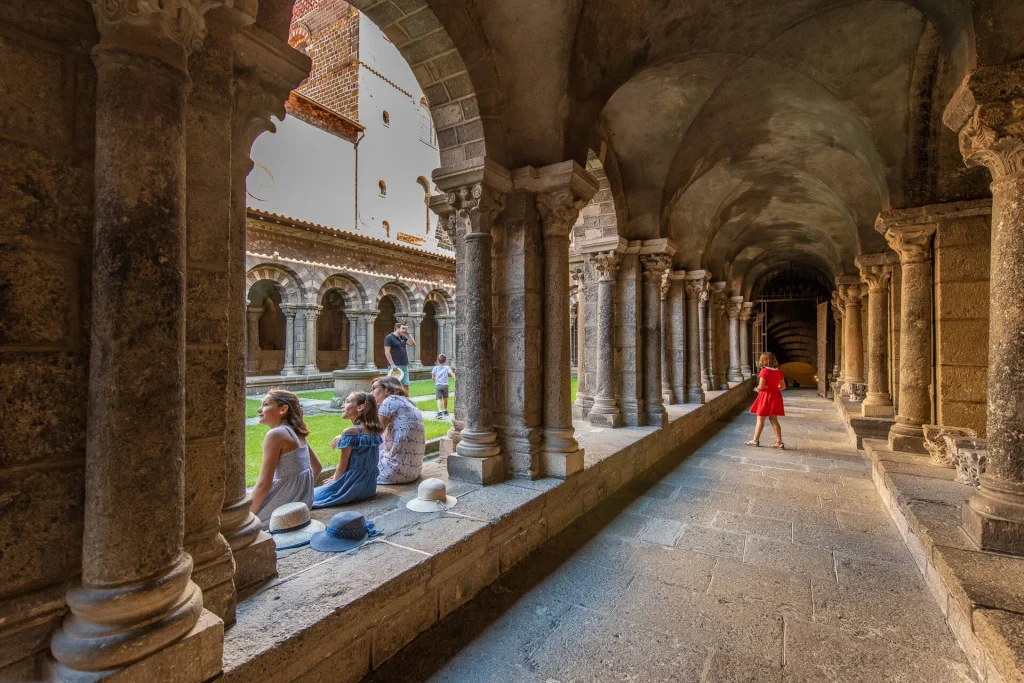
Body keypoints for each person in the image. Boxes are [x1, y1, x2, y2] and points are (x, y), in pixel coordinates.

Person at [251, 390, 323, 524]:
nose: (259, 409)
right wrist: (301, 493)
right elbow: (317, 467)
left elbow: (263, 485)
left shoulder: (276, 435)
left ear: (283, 409)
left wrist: (248, 518)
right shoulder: (296, 432)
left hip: (280, 508)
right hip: (300, 506)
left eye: (265, 405)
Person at [313, 392, 383, 507]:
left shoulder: (350, 432)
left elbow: (342, 466)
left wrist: (335, 481)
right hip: (369, 486)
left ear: (360, 407)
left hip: (352, 485)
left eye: (347, 402)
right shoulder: (374, 430)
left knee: (309, 498)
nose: (342, 405)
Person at [371, 376, 425, 484]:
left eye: (374, 388)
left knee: (359, 448)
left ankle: (341, 477)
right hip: (414, 471)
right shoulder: (410, 403)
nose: (371, 392)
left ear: (386, 388)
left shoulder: (389, 401)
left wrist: (349, 435)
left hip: (393, 472)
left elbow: (373, 435)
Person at [747, 351, 786, 449]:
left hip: (766, 396)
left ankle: (755, 440)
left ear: (763, 360)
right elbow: (783, 386)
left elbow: (761, 386)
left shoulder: (764, 371)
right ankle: (779, 442)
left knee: (760, 419)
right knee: (774, 420)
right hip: (776, 396)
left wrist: (757, 389)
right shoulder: (778, 371)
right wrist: (774, 389)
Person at [383, 322, 415, 387]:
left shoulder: (402, 337)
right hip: (395, 365)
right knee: (394, 386)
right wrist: (392, 364)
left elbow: (413, 343)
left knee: (406, 384)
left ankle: (406, 397)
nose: (404, 330)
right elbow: (387, 351)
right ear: (397, 328)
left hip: (404, 364)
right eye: (403, 328)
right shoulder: (389, 338)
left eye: (405, 329)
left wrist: (408, 333)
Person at [430, 354, 454, 419]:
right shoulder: (447, 367)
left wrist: (436, 381)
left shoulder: (435, 368)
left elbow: (432, 377)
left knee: (439, 399)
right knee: (445, 398)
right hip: (445, 385)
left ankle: (440, 412)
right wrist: (456, 378)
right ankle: (445, 410)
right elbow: (452, 374)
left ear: (437, 360)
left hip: (438, 385)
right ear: (445, 361)